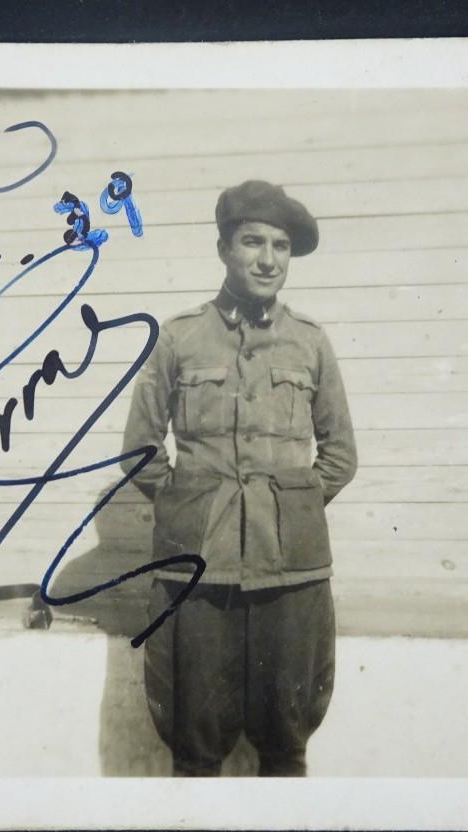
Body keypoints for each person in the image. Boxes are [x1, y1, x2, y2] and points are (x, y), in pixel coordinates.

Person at [121, 180, 358, 777]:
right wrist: (195, 507)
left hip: (292, 574)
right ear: (224, 248)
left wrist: (288, 510)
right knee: (195, 746)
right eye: (253, 241)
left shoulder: (311, 342)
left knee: (287, 744)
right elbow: (140, 450)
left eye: (280, 246)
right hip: (197, 570)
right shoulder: (177, 338)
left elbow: (339, 454)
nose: (268, 259)